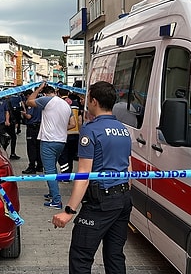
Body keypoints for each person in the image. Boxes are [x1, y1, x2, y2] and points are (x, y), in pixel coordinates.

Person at [51, 81, 132, 274]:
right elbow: (129, 168)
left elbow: (84, 175)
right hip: (123, 199)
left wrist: (69, 211)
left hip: (101, 202)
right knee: (115, 255)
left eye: (88, 98)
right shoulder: (123, 129)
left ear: (94, 101)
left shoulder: (90, 129)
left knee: (80, 257)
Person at [26, 81, 76, 209]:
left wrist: (38, 88)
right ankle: (51, 192)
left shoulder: (47, 100)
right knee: (52, 168)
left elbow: (29, 101)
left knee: (49, 171)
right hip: (61, 141)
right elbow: (73, 124)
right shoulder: (66, 105)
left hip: (48, 141)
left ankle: (56, 201)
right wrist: (60, 129)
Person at [57, 88, 81, 176]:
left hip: (64, 134)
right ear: (68, 93)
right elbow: (79, 120)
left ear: (58, 93)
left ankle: (65, 175)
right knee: (71, 155)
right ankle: (69, 173)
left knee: (63, 155)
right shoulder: (75, 103)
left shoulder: (59, 104)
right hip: (75, 134)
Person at [21, 89, 43, 174]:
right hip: (39, 127)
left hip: (32, 128)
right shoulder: (40, 102)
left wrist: (23, 113)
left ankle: (32, 167)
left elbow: (29, 116)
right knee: (38, 147)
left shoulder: (31, 104)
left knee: (31, 148)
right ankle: (40, 166)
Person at [4, 92, 21, 160]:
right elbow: (10, 112)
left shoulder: (6, 101)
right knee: (11, 137)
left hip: (6, 122)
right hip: (8, 122)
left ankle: (6, 152)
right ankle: (11, 153)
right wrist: (15, 121)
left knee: (8, 137)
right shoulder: (7, 102)